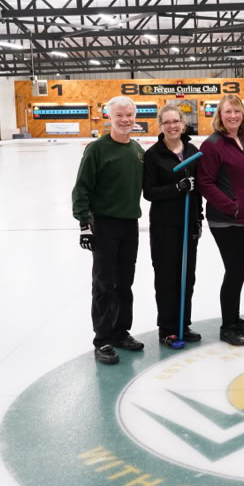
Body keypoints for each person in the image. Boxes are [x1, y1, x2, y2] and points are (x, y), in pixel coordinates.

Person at [72, 95, 145, 365]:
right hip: (103, 224)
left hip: (130, 224)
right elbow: (81, 187)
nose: (125, 120)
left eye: (129, 115)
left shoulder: (137, 150)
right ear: (109, 117)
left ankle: (120, 331)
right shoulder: (97, 149)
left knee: (125, 281)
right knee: (104, 283)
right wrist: (84, 223)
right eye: (119, 115)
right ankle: (102, 338)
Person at [197, 94, 244, 346]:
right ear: (220, 115)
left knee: (239, 271)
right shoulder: (212, 144)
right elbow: (205, 182)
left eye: (237, 111)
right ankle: (228, 325)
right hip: (227, 221)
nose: (233, 115)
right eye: (228, 112)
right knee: (235, 270)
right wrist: (232, 208)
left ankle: (235, 319)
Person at [143, 104, 203, 348]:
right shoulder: (153, 155)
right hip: (164, 226)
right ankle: (168, 329)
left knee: (187, 276)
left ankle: (183, 324)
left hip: (188, 224)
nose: (172, 126)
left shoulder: (192, 151)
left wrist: (198, 218)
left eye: (175, 121)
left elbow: (198, 191)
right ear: (161, 126)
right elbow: (148, 192)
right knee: (167, 277)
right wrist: (176, 188)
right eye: (166, 122)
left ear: (182, 123)